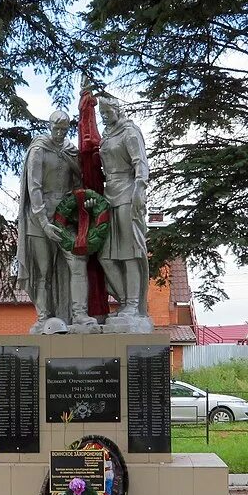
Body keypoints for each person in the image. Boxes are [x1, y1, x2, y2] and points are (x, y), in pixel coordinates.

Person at [15, 111, 98, 333]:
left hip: (65, 218)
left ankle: (79, 313)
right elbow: (34, 187)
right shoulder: (38, 150)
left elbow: (79, 184)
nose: (60, 134)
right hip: (39, 220)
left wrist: (85, 203)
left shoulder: (70, 151)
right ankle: (44, 317)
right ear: (50, 126)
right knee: (44, 271)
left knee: (77, 263)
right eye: (57, 129)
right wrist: (43, 223)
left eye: (64, 129)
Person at [97, 96, 152, 330]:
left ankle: (133, 305)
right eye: (102, 114)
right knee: (105, 256)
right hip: (108, 194)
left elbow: (140, 163)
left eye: (107, 112)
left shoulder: (129, 132)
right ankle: (123, 300)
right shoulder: (107, 135)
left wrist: (140, 190)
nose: (104, 117)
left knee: (130, 253)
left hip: (128, 193)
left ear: (117, 110)